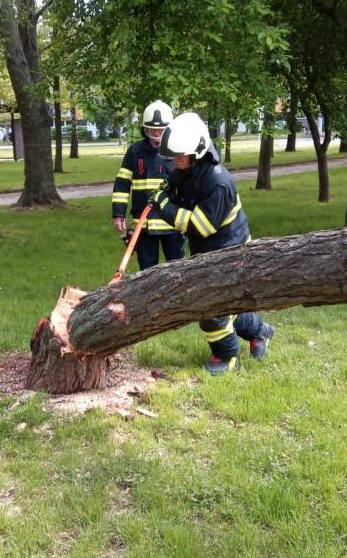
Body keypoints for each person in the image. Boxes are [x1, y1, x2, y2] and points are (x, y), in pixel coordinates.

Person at [148, 112, 275, 375]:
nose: (174, 161)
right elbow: (178, 191)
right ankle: (260, 331)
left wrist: (164, 206)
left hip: (232, 252)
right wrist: (167, 191)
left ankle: (226, 356)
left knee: (210, 307)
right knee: (227, 306)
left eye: (179, 156)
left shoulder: (219, 183)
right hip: (208, 252)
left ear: (197, 152)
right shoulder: (187, 170)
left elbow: (200, 226)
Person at [111, 100, 186, 269]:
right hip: (143, 225)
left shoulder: (178, 150)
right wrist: (118, 213)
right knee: (147, 271)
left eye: (161, 129)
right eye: (153, 129)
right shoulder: (135, 151)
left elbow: (188, 185)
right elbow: (122, 184)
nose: (157, 133)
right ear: (145, 128)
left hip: (173, 223)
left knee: (178, 269)